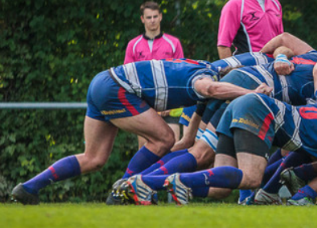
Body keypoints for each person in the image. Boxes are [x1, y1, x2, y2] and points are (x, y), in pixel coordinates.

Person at [11, 59, 270, 205]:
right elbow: (212, 90)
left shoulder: (204, 75)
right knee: (163, 138)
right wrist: (251, 93)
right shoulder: (204, 76)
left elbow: (188, 141)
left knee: (94, 158)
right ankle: (123, 192)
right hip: (116, 88)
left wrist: (182, 154)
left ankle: (29, 188)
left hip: (103, 81)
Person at [156, 56, 317, 206]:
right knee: (251, 177)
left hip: (238, 103)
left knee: (220, 188)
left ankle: (147, 183)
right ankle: (181, 179)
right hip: (256, 107)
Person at [125, 1, 186, 149]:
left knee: (173, 148)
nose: (152, 20)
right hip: (144, 105)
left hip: (170, 105)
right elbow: (128, 77)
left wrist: (171, 104)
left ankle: (170, 173)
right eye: (148, 17)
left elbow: (181, 74)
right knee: (145, 150)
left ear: (160, 17)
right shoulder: (133, 45)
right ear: (142, 19)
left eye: (155, 16)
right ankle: (144, 174)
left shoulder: (173, 43)